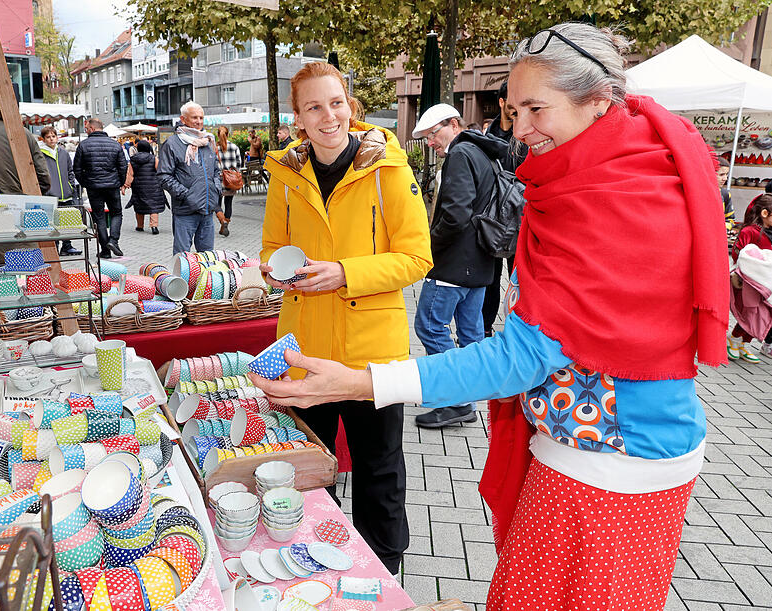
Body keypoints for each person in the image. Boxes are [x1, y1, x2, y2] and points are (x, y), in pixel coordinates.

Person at [249, 22, 728, 609]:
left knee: (384, 478)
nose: (518, 130)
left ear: (598, 100)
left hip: (615, 458)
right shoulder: (605, 173)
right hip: (580, 443)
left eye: (535, 109)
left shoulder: (619, 197)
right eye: (512, 109)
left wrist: (362, 375)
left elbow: (523, 351)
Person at [259, 61, 432, 575]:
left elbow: (418, 257)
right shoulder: (286, 175)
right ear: (298, 117)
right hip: (305, 347)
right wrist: (275, 272)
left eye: (335, 102)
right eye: (313, 106)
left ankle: (383, 568)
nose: (327, 115)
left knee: (379, 467)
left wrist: (345, 273)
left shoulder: (389, 169)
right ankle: (319, 561)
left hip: (370, 352)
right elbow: (271, 248)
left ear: (349, 104)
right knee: (312, 466)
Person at [411, 104, 508, 429]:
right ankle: (470, 396)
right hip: (480, 263)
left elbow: (455, 214)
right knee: (470, 334)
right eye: (425, 137)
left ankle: (455, 401)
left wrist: (427, 246)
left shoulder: (461, 153)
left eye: (433, 134)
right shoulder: (483, 152)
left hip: (454, 264)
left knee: (429, 325)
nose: (430, 143)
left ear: (453, 124)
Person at [482, 80, 527, 338]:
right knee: (490, 275)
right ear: (501, 103)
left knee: (516, 274)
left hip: (519, 214)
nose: (515, 107)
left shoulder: (524, 134)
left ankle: (516, 328)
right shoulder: (489, 135)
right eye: (511, 102)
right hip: (493, 214)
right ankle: (485, 328)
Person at [157, 101, 222, 253]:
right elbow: (163, 175)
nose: (199, 121)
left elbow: (216, 171)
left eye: (201, 118)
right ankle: (183, 278)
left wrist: (216, 190)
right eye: (194, 118)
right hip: (185, 210)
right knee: (182, 257)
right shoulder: (172, 143)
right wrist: (187, 195)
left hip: (207, 210)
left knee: (207, 257)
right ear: (183, 119)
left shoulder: (208, 141)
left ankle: (203, 278)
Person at [73, 118, 128, 258]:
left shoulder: (83, 145)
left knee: (99, 217)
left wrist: (85, 182)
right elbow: (123, 167)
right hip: (112, 185)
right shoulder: (115, 145)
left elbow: (77, 169)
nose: (86, 131)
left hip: (93, 186)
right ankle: (113, 241)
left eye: (86, 128)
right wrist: (120, 182)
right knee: (116, 213)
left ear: (92, 128)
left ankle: (105, 250)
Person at [728, 194, 772, 360]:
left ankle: (745, 343)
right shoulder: (750, 231)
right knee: (751, 313)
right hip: (750, 281)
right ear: (765, 214)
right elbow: (738, 251)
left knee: (763, 314)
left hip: (767, 282)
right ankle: (734, 339)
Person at [39, 126, 81, 256]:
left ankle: (67, 246)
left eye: (53, 136)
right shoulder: (41, 154)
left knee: (66, 222)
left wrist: (71, 186)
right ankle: (55, 246)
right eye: (48, 137)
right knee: (53, 222)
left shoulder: (63, 152)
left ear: (57, 137)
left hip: (66, 194)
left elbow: (70, 171)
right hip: (51, 195)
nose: (51, 139)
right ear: (43, 139)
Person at [125, 139, 167, 235]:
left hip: (139, 186)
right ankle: (154, 226)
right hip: (153, 186)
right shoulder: (153, 158)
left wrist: (126, 185)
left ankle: (140, 226)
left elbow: (130, 175)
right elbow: (160, 171)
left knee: (139, 206)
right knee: (153, 207)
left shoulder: (133, 159)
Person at [216, 125, 242, 237]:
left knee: (216, 203)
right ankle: (226, 223)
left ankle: (223, 221)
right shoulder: (235, 147)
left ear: (218, 135)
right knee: (228, 203)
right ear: (228, 135)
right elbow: (239, 165)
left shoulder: (214, 148)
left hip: (218, 178)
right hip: (231, 180)